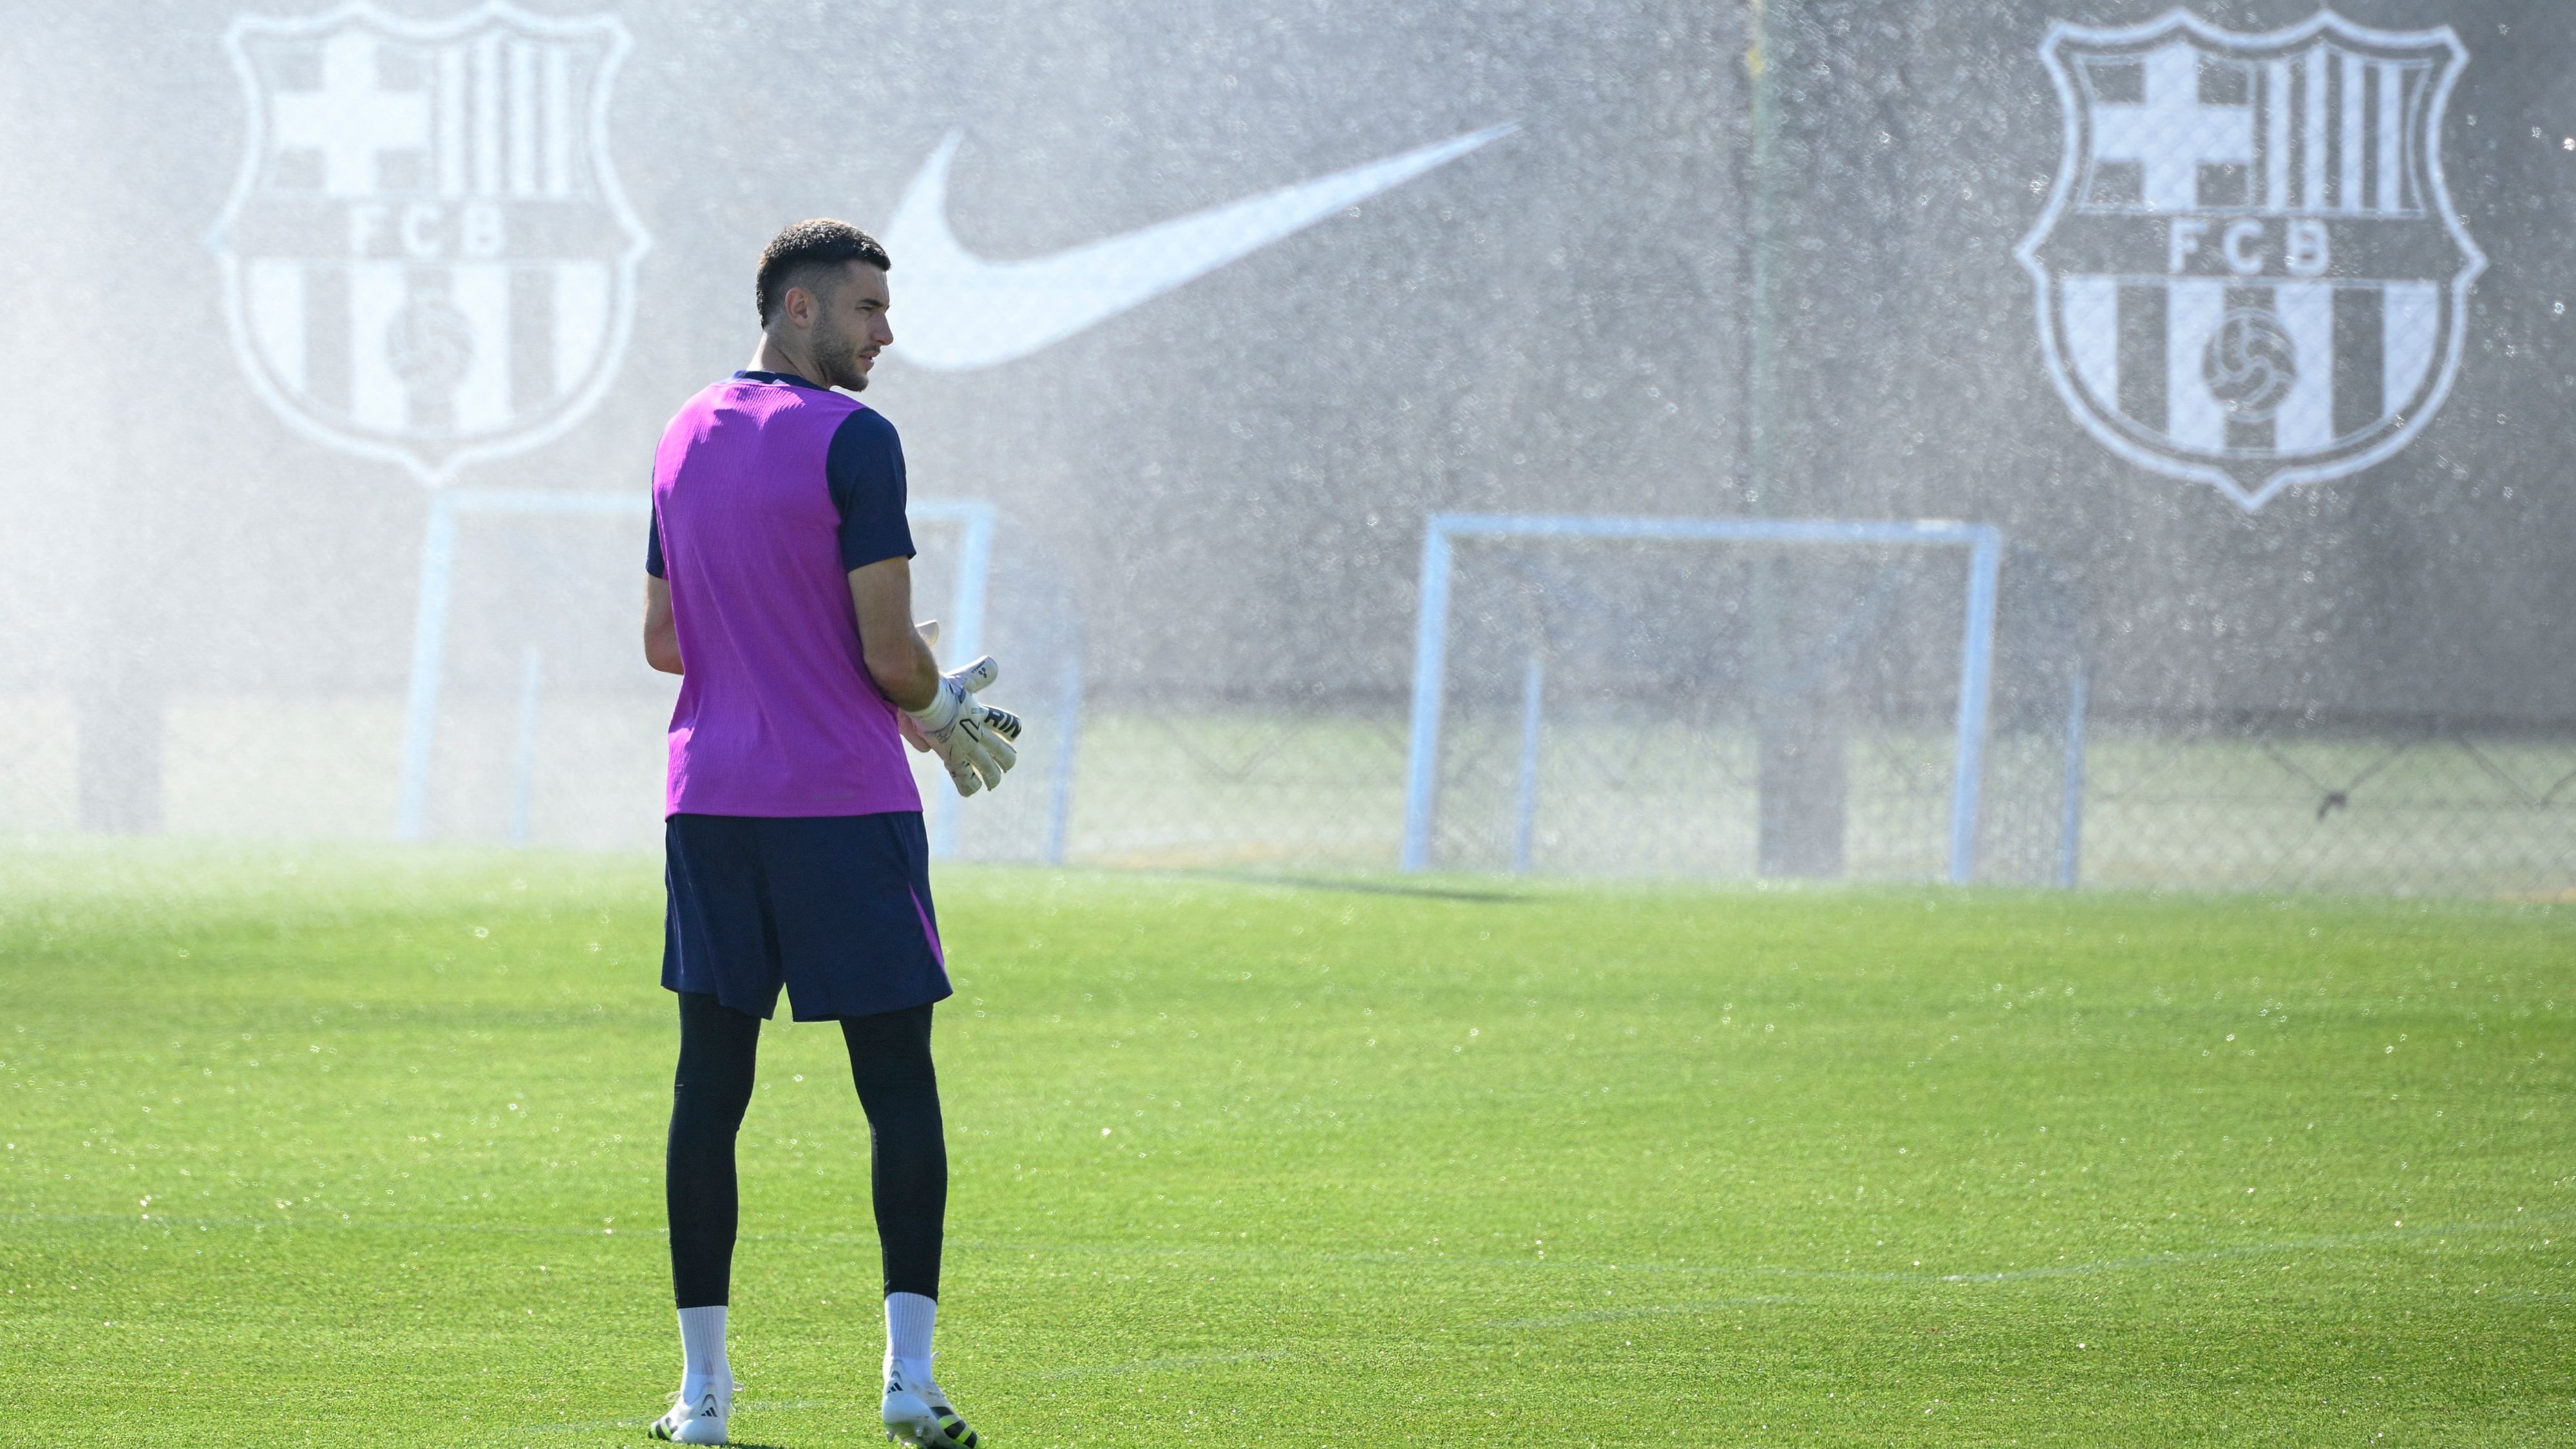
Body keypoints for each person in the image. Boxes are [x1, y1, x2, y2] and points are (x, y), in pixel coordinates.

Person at [639, 218, 1019, 1448]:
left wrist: (794, 666)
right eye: (867, 309)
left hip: (709, 805)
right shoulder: (858, 438)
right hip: (840, 808)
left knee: (710, 1092)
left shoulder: (681, 432)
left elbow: (665, 640)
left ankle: (704, 1399)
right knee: (897, 1088)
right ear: (798, 310)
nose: (887, 333)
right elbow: (888, 651)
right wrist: (938, 704)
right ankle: (908, 1379)